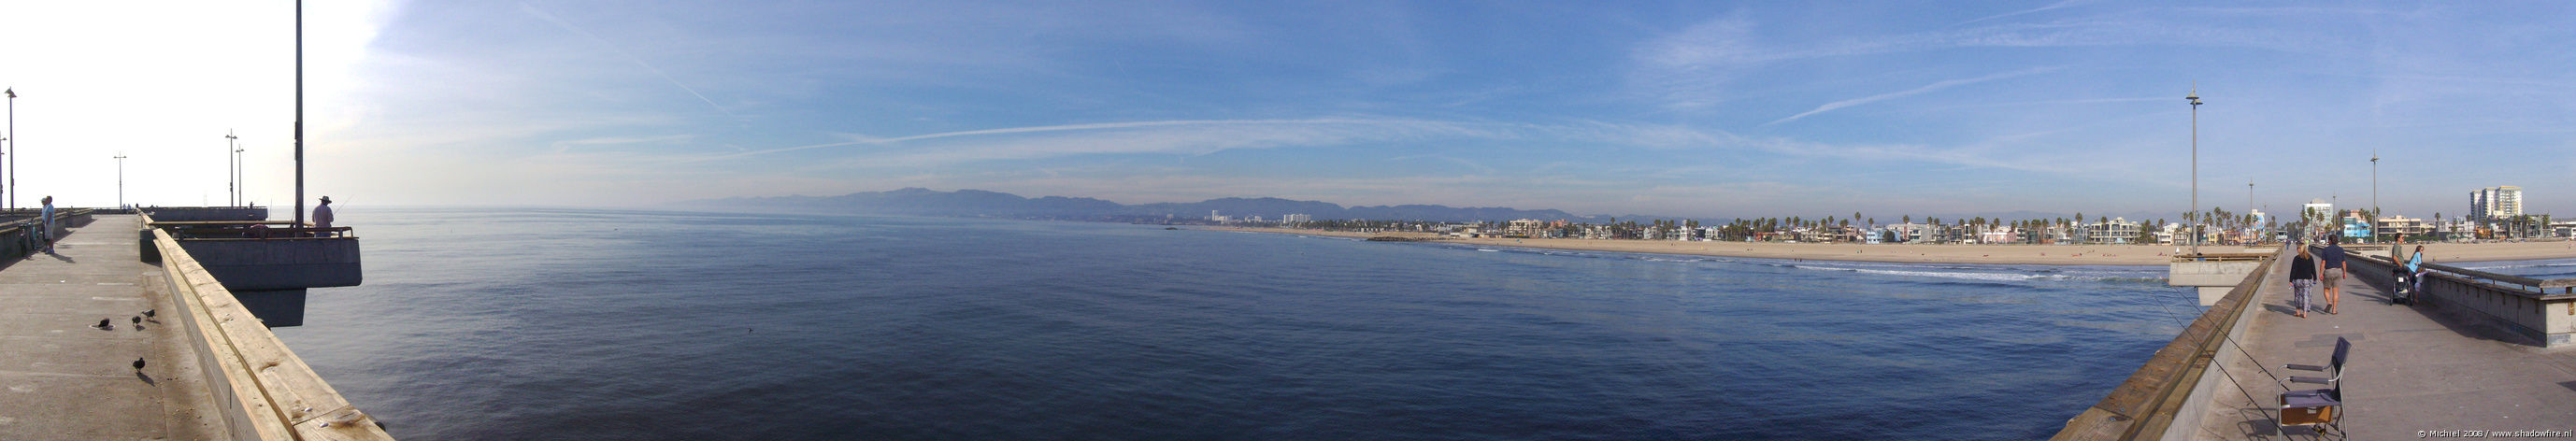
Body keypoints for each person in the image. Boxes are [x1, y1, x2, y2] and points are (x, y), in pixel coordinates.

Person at [2319, 236, 2348, 314]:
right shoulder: (2341, 249)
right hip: (2338, 271)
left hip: (2328, 271)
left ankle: (2329, 302)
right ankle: (2334, 310)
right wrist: (2344, 273)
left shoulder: (2325, 250)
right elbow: (2344, 262)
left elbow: (2323, 262)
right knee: (2336, 291)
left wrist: (2321, 273)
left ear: (2330, 241)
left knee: (2326, 289)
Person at [2290, 245, 2318, 318]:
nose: (2297, 250)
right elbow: (2313, 269)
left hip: (2298, 280)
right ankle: (2305, 313)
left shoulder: (2296, 258)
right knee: (2306, 296)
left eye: (2298, 248)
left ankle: (2298, 312)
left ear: (2301, 249)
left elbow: (2293, 270)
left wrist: (2290, 280)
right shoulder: (2310, 257)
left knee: (2298, 296)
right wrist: (2315, 278)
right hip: (2307, 280)